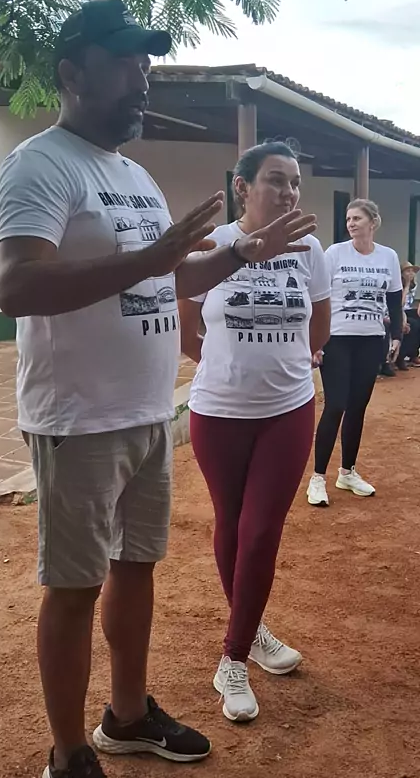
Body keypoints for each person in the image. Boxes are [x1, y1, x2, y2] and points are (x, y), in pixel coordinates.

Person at [0, 0, 318, 778]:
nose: (142, 77)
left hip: (144, 412)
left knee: (135, 567)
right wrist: (154, 258)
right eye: (124, 63)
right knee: (75, 586)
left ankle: (128, 715)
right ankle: (69, 754)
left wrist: (241, 253)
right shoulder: (41, 164)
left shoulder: (134, 176)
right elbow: (18, 286)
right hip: (79, 417)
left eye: (147, 63)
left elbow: (169, 277)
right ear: (72, 73)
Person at [179, 142, 331, 723]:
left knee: (262, 528)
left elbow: (319, 326)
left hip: (289, 409)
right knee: (231, 522)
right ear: (243, 186)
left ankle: (234, 658)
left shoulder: (310, 249)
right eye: (275, 180)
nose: (289, 191)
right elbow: (187, 329)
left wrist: (280, 364)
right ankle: (255, 631)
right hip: (218, 412)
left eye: (294, 182)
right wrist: (228, 368)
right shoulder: (215, 245)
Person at [307, 199, 403, 508]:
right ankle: (317, 478)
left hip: (371, 340)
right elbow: (318, 297)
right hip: (336, 339)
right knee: (336, 405)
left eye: (357, 218)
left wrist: (396, 336)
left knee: (358, 407)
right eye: (348, 219)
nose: (351, 223)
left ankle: (347, 472)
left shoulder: (388, 256)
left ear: (373, 222)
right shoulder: (334, 253)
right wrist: (315, 341)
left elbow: (394, 301)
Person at [396, 261, 420, 370]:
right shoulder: (398, 285)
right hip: (398, 310)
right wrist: (406, 286)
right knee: (413, 324)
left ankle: (414, 354)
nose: (411, 273)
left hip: (408, 310)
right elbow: (400, 304)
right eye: (408, 271)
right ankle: (401, 356)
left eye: (412, 271)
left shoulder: (414, 285)